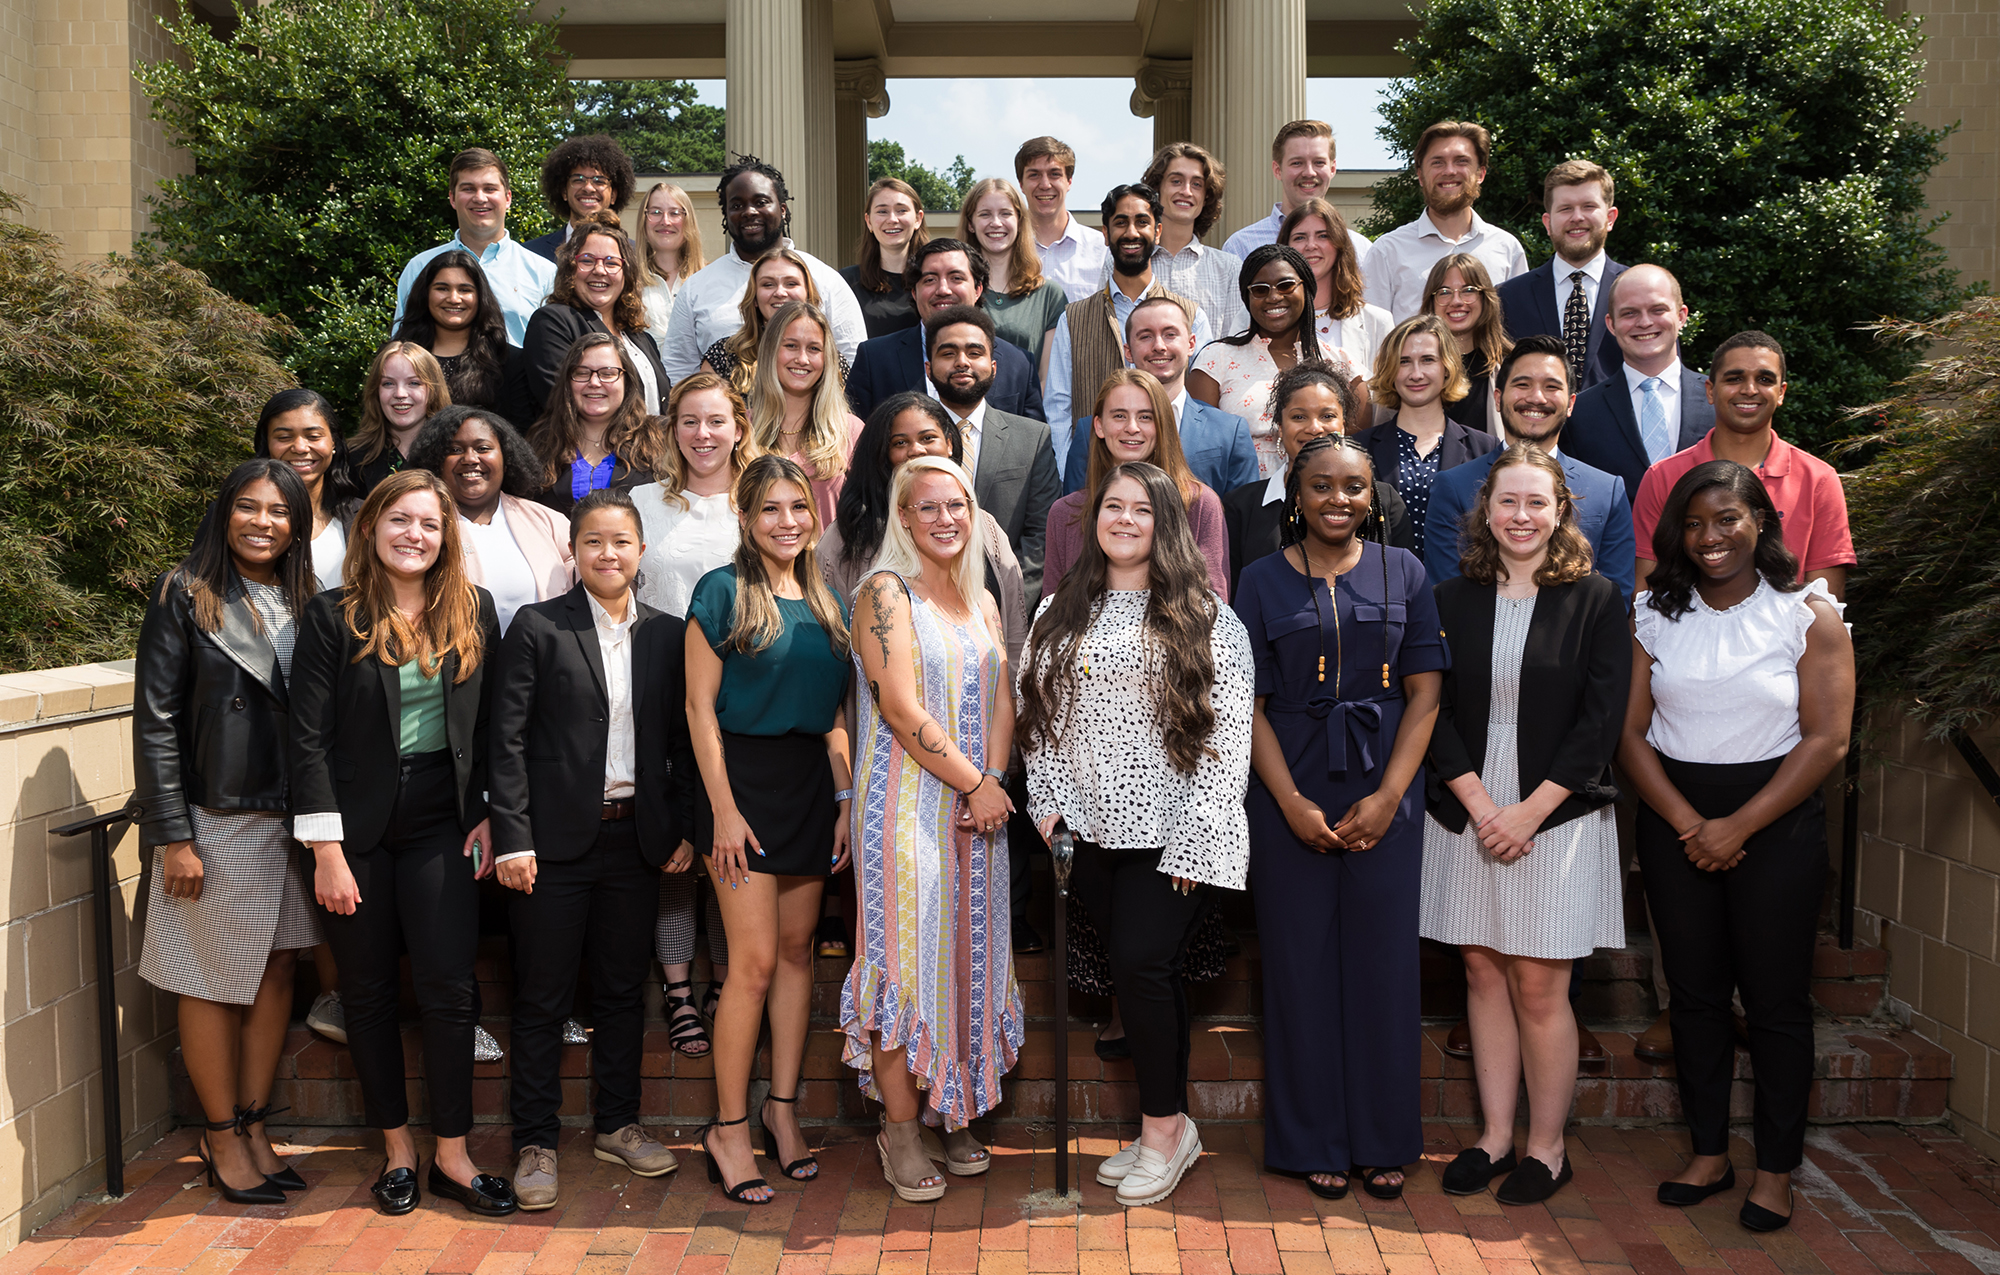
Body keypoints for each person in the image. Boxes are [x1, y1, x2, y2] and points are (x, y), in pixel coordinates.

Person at [1620, 460, 1853, 1234]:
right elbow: (1630, 733)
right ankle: (1709, 1152)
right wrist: (1691, 823)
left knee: (1778, 1003)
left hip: (1776, 820)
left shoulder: (1807, 612)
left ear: (1761, 522)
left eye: (1728, 519)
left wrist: (1738, 825)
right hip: (1675, 814)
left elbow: (1826, 740)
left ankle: (1777, 1169)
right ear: (1676, 534)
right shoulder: (1654, 612)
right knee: (1693, 996)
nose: (1711, 536)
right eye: (1695, 523)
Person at [1018, 461, 1254, 1207]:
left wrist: (1197, 837)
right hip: (1086, 832)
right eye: (1112, 506)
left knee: (1141, 964)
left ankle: (1161, 1130)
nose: (1123, 518)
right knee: (1142, 976)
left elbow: (1226, 735)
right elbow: (1039, 712)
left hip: (1173, 830)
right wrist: (1047, 803)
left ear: (1165, 523)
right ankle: (1170, 1124)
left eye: (1141, 509)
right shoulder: (1061, 605)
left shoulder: (1206, 615)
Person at [290, 469, 514, 1218]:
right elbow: (307, 740)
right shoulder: (332, 618)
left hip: (441, 821)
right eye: (400, 520)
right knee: (369, 991)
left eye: (429, 523)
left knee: (451, 987)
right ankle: (398, 1150)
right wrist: (325, 850)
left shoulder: (473, 609)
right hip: (351, 832)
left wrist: (486, 809)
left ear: (446, 535)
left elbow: (489, 729)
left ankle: (453, 1150)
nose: (414, 534)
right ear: (372, 528)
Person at [1235, 434, 1446, 1202]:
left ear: (1372, 496)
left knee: (1384, 968)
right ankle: (1310, 1138)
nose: (1338, 500)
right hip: (1288, 779)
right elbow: (1245, 704)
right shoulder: (1257, 581)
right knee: (1299, 967)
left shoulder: (1407, 571)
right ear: (1297, 494)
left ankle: (1383, 1138)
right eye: (1321, 486)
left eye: (1353, 487)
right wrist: (1288, 800)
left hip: (1385, 781)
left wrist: (1391, 794)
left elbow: (1424, 694)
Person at [1423, 445, 1630, 1206]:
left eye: (1536, 503)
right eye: (1507, 502)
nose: (1520, 516)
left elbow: (1600, 720)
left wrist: (1530, 810)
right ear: (1485, 512)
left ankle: (1547, 1147)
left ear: (1561, 511)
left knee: (1541, 986)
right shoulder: (1451, 597)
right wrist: (1481, 806)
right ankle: (1495, 1135)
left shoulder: (1599, 599)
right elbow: (1430, 707)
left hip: (1558, 811)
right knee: (1481, 970)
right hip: (1467, 806)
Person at [490, 489, 696, 1210]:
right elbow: (505, 742)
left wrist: (679, 830)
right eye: (593, 542)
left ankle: (617, 1122)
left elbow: (681, 743)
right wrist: (512, 836)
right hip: (550, 845)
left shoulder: (668, 635)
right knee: (543, 995)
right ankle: (536, 1140)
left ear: (642, 552)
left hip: (635, 838)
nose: (608, 554)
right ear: (573, 553)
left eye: (621, 542)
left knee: (618, 991)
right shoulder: (538, 627)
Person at [133, 459, 322, 1206]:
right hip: (218, 814)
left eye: (279, 512)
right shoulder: (185, 591)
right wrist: (173, 832)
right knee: (210, 981)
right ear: (224, 511)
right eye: (249, 507)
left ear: (296, 525)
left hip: (291, 817)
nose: (263, 522)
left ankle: (251, 1123)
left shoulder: (304, 595)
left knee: (277, 970)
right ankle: (218, 1133)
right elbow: (156, 719)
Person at [845, 455, 1023, 1199]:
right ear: (903, 517)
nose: (945, 519)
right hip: (903, 811)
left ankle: (954, 1106)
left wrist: (993, 785)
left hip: (977, 811)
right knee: (906, 963)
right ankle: (900, 1126)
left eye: (957, 504)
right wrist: (974, 781)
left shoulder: (982, 602)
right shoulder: (884, 592)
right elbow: (898, 705)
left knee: (969, 961)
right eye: (928, 508)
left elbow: (1004, 698)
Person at [685, 455, 853, 1205]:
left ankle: (780, 1112)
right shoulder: (720, 592)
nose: (787, 521)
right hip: (742, 790)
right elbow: (698, 709)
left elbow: (838, 715)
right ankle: (726, 1127)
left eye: (798, 508)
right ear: (746, 518)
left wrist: (847, 795)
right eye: (770, 510)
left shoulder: (826, 596)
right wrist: (722, 807)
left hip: (811, 789)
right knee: (749, 964)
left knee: (795, 955)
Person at [631, 373, 755, 1054]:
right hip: (658, 691)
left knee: (725, 837)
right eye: (688, 421)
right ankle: (679, 989)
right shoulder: (645, 502)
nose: (702, 435)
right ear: (671, 428)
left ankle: (727, 978)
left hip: (741, 694)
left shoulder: (757, 499)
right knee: (677, 841)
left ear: (739, 425)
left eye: (716, 421)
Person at [1632, 332, 1854, 600]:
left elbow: (1827, 599)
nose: (1749, 389)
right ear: (1710, 391)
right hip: (1686, 637)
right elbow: (1646, 593)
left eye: (1764, 379)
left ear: (1781, 392)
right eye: (1735, 378)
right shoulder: (1663, 478)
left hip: (1789, 640)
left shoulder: (1818, 480)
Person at [820, 393, 1028, 668]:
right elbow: (831, 642)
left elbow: (1013, 632)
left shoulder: (983, 526)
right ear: (882, 453)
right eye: (900, 442)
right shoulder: (848, 533)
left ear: (951, 444)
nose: (916, 450)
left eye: (928, 438)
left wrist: (1013, 699)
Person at [1422, 335, 1636, 599]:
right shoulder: (1453, 487)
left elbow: (1617, 597)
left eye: (1551, 387)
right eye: (1522, 384)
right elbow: (1447, 593)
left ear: (1570, 404)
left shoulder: (1608, 491)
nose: (1536, 398)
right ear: (1498, 398)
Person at [1043, 184, 1215, 468]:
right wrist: (1069, 474)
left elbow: (1203, 406)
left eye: (1142, 222)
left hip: (1175, 476)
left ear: (1157, 231)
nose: (1132, 233)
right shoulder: (1072, 319)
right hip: (1096, 480)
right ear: (1106, 234)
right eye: (1121, 223)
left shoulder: (1191, 316)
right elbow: (1058, 409)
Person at [661, 155, 866, 382]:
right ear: (726, 215)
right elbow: (679, 368)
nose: (749, 212)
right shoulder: (696, 288)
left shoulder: (826, 280)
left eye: (761, 202)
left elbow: (853, 360)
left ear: (783, 209)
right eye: (737, 205)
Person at [911, 305, 1061, 601]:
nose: (962, 362)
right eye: (948, 353)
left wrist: (1007, 602)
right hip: (920, 603)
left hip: (1009, 607)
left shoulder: (1033, 439)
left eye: (974, 352)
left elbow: (1041, 537)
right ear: (928, 369)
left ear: (993, 366)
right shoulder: (907, 439)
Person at [1222, 364, 1411, 595]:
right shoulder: (1240, 507)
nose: (1314, 428)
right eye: (1299, 416)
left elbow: (1406, 589)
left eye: (1327, 416)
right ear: (1280, 428)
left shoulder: (1383, 500)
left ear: (1343, 425)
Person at [1045, 369, 1229, 600]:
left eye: (1145, 417)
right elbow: (1052, 611)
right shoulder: (1065, 513)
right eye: (1119, 416)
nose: (1132, 427)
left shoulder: (1200, 504)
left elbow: (1214, 608)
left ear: (1162, 425)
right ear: (1099, 426)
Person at [1189, 245, 1361, 480]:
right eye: (1260, 290)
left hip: (1322, 501)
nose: (1274, 297)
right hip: (1241, 504)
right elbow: (1202, 451)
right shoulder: (1216, 359)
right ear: (1246, 297)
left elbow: (1356, 450)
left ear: (1307, 289)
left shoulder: (1341, 364)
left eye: (1286, 285)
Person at [1063, 296, 1259, 497]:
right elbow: (1075, 515)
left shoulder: (1229, 432)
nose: (1159, 346)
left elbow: (1243, 519)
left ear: (1191, 344)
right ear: (1128, 351)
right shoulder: (1091, 431)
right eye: (1145, 336)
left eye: (1170, 334)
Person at [408, 406, 575, 635]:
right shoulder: (420, 527)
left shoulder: (548, 521)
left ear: (506, 459)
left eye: (483, 448)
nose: (470, 458)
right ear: (437, 463)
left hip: (542, 664)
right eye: (455, 450)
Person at [1349, 315, 1501, 564]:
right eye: (1404, 362)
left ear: (1447, 368)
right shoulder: (1358, 448)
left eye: (1428, 360)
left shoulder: (1486, 449)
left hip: (1459, 591)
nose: (1416, 373)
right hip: (1383, 592)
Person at [845, 238, 1047, 424]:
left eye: (956, 278)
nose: (943, 289)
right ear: (914, 292)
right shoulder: (875, 360)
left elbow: (1034, 450)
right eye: (930, 280)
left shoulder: (1019, 364)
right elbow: (856, 443)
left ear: (978, 289)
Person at [1563, 265, 1714, 507]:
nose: (1644, 322)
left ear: (1681, 316)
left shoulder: (1718, 401)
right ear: (1611, 324)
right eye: (1630, 313)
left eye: (1658, 310)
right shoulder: (1580, 414)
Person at [511, 213, 669, 423]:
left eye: (611, 263)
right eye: (587, 260)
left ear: (626, 273)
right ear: (570, 268)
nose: (599, 270)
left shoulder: (640, 337)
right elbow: (566, 405)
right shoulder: (553, 323)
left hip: (653, 453)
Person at [1364, 121, 1528, 323]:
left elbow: (1520, 329)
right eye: (1437, 162)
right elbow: (1372, 337)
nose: (1449, 171)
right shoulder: (1387, 252)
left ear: (1480, 174)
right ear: (1421, 176)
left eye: (1461, 161)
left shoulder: (1507, 249)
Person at [393, 147, 554, 346]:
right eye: (468, 189)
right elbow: (402, 347)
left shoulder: (543, 273)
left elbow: (552, 353)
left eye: (490, 189)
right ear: (452, 198)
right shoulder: (420, 267)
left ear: (508, 198)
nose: (480, 198)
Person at [1495, 161, 1626, 391]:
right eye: (1565, 209)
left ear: (1610, 218)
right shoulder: (1508, 298)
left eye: (1588, 206)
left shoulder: (1640, 292)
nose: (1577, 217)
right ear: (1548, 222)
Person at [747, 299, 864, 528]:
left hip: (831, 563)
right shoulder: (741, 427)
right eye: (791, 345)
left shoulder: (850, 430)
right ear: (771, 350)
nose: (802, 359)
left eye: (813, 349)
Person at [528, 334, 671, 516]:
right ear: (567, 382)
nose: (594, 382)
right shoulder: (541, 443)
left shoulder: (661, 436)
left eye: (608, 373)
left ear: (627, 381)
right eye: (582, 373)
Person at [1221, 120, 1374, 265]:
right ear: (1277, 170)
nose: (1309, 172)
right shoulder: (1241, 247)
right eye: (1297, 163)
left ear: (1332, 169)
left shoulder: (1360, 250)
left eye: (1319, 162)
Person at [1282, 196, 1393, 394]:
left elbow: (1386, 402)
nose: (1311, 245)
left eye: (1323, 236)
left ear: (1339, 245)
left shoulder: (1377, 322)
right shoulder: (1252, 317)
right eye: (1299, 237)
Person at [254, 389, 361, 592]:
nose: (300, 447)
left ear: (334, 443)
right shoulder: (235, 517)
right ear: (266, 443)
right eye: (284, 437)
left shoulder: (365, 517)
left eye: (313, 436)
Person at [700, 246, 844, 397]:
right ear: (754, 297)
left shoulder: (829, 358)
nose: (780, 293)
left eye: (791, 284)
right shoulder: (724, 355)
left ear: (808, 294)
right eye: (768, 284)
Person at [1138, 143, 1248, 338]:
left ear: (1206, 197)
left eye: (1197, 184)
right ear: (1157, 189)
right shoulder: (1123, 262)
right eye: (1176, 181)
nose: (1186, 191)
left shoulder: (1229, 268)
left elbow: (1236, 343)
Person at [960, 178, 1070, 368]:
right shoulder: (956, 290)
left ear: (1019, 221)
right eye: (985, 214)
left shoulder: (1049, 296)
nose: (996, 223)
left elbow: (1048, 378)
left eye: (1005, 214)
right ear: (971, 224)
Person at [392, 249, 514, 411]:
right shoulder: (395, 357)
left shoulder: (508, 361)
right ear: (425, 294)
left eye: (465, 290)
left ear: (480, 297)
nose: (454, 299)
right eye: (442, 288)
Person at [1420, 254, 1509, 436]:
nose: (1457, 301)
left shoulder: (1510, 366)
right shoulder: (1412, 366)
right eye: (1444, 293)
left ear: (1485, 297)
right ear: (1431, 302)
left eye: (1468, 290)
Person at [1015, 136, 1110, 303]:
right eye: (1034, 175)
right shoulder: (1005, 249)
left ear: (1069, 182)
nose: (1045, 184)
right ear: (1021, 184)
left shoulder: (1103, 250)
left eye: (1054, 174)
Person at [352, 341, 450, 493]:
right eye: (388, 383)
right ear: (376, 391)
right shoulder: (354, 459)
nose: (400, 394)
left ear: (433, 390)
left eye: (413, 383)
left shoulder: (454, 454)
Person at [525, 134, 637, 262]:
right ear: (564, 192)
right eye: (578, 180)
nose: (588, 188)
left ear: (613, 195)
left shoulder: (637, 256)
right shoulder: (531, 254)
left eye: (599, 181)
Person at [841, 177, 928, 339]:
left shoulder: (936, 281)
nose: (892, 219)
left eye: (901, 210)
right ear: (869, 222)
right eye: (882, 211)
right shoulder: (845, 283)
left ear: (918, 219)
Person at [637, 181, 706, 344]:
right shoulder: (626, 280)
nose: (665, 221)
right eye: (655, 212)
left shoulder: (710, 279)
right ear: (644, 220)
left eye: (675, 213)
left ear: (688, 220)